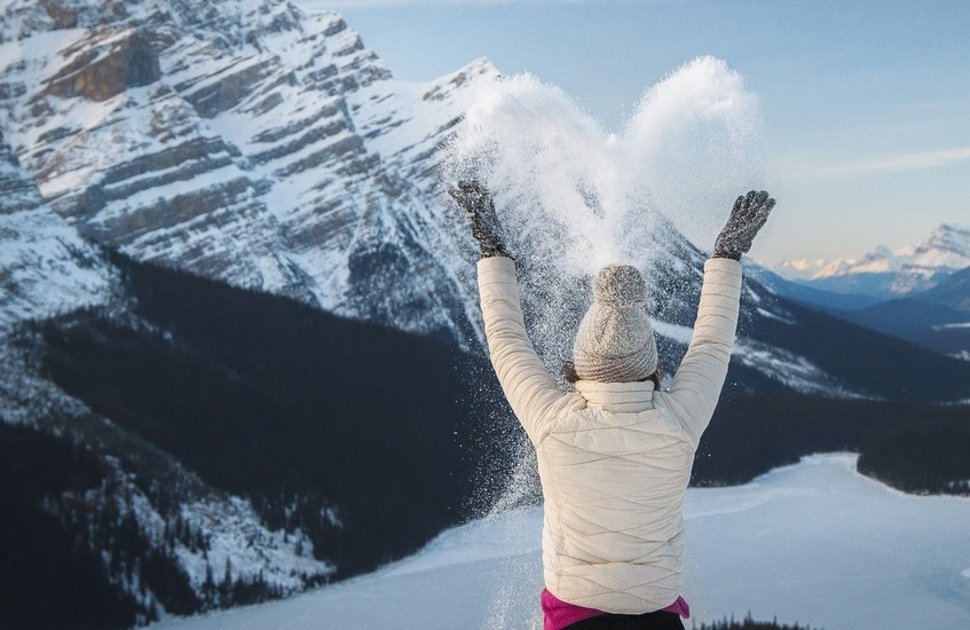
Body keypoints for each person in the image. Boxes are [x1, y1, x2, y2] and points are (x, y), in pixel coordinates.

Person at [449, 182, 775, 630]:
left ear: (580, 364)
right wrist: (727, 256)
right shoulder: (678, 421)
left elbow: (506, 340)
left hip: (574, 613)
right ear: (652, 365)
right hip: (657, 617)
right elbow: (712, 344)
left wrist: (492, 250)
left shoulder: (553, 422)